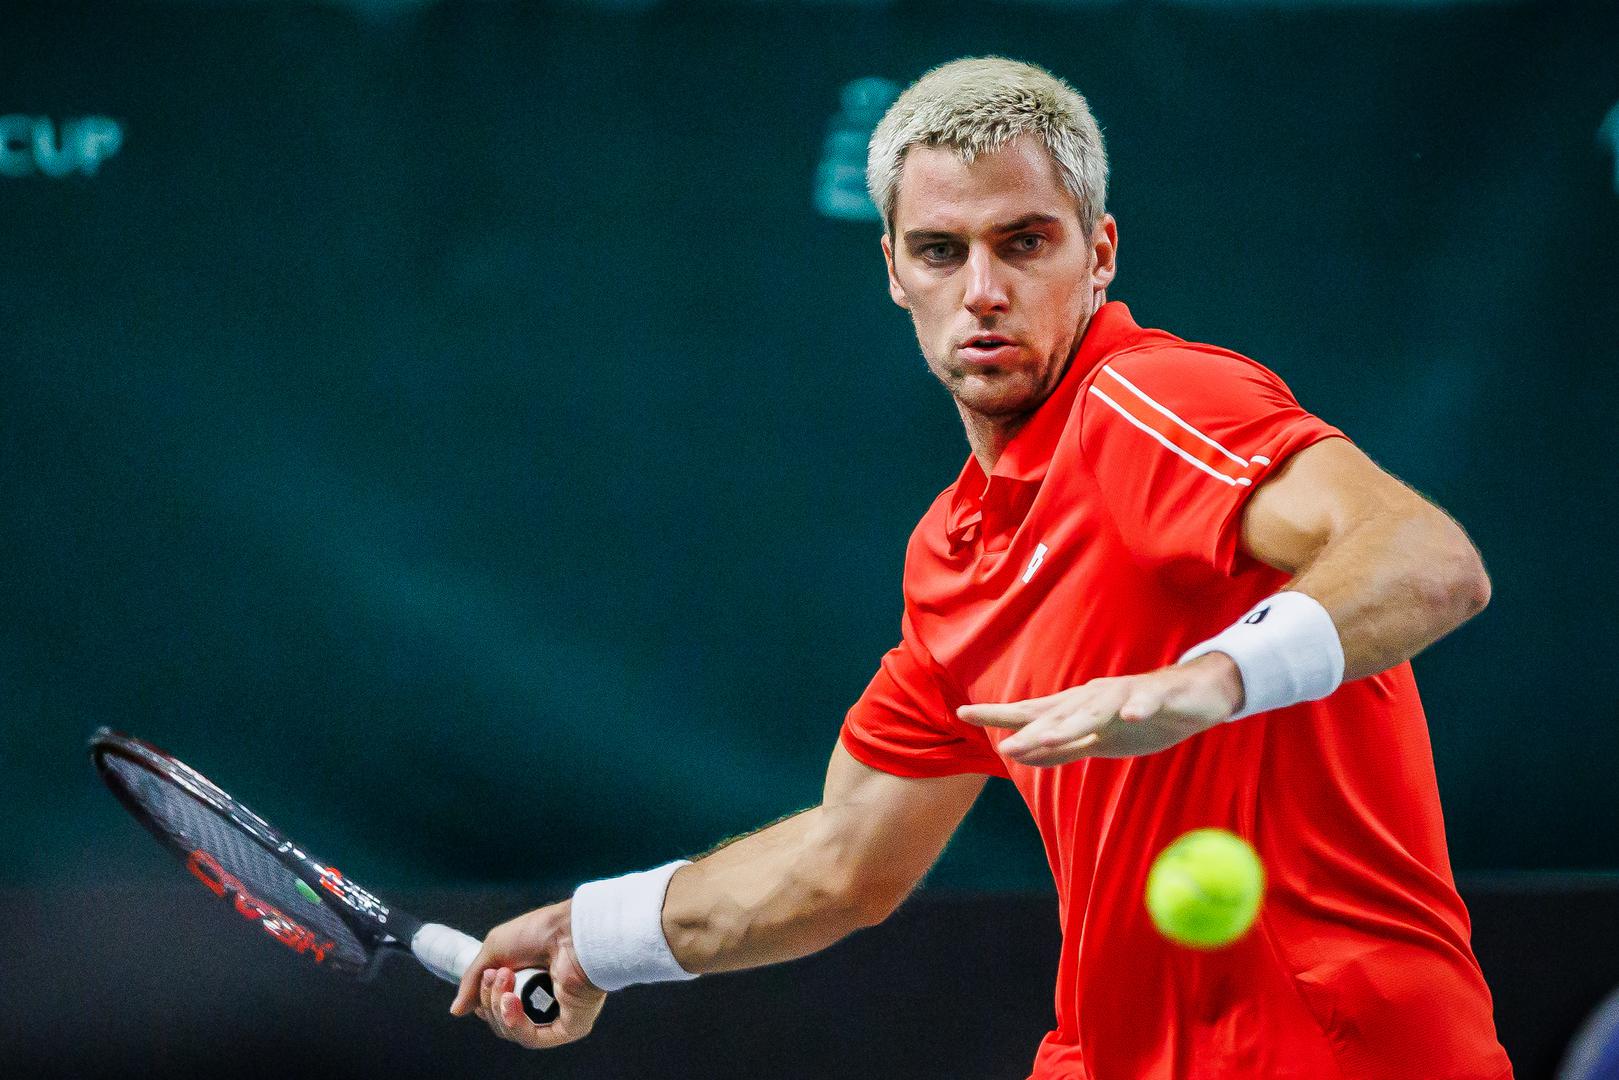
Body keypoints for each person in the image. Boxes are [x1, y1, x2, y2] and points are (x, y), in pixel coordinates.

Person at [449, 57, 1513, 1079]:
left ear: (1098, 254)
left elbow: (1426, 560)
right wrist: (595, 936)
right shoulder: (953, 556)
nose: (983, 291)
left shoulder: (1150, 401)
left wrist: (1206, 681)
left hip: (1335, 1052)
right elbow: (843, 862)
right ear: (893, 271)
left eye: (1024, 242)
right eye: (940, 251)